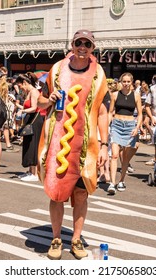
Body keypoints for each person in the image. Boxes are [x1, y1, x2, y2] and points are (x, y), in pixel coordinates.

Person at [37, 29, 108, 260]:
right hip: (58, 143)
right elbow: (39, 100)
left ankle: (76, 239)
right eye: (79, 42)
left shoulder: (98, 74)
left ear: (92, 49)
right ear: (72, 44)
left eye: (87, 44)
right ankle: (56, 238)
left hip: (86, 147)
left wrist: (105, 144)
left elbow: (103, 111)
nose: (83, 47)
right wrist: (49, 100)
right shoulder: (56, 70)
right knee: (56, 193)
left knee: (81, 194)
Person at [107, 72, 142, 195]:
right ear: (121, 82)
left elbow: (140, 113)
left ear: (131, 82)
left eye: (128, 82)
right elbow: (110, 111)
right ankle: (112, 183)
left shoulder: (136, 95)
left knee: (125, 157)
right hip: (117, 125)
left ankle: (121, 181)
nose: (126, 84)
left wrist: (137, 127)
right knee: (114, 155)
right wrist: (108, 126)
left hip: (130, 126)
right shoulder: (115, 95)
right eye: (124, 81)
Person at [15, 72, 44, 181]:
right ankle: (30, 171)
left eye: (20, 85)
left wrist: (22, 110)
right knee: (29, 145)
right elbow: (26, 106)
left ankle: (35, 174)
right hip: (30, 121)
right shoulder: (29, 92)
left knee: (33, 145)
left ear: (25, 82)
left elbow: (34, 108)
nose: (20, 88)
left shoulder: (34, 92)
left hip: (35, 121)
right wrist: (16, 105)